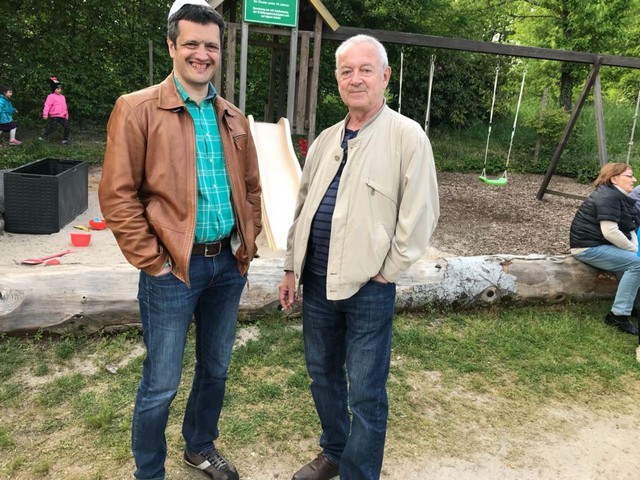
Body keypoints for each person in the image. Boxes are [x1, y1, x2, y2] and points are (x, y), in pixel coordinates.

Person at [98, 1, 262, 479]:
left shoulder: (233, 117)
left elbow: (251, 189)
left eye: (211, 45)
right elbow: (117, 195)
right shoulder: (137, 109)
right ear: (171, 46)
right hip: (171, 270)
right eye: (191, 43)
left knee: (216, 370)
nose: (201, 54)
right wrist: (153, 262)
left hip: (226, 265)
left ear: (220, 51)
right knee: (161, 383)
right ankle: (149, 472)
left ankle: (200, 447)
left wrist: (247, 244)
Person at [278, 34, 439, 480]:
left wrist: (389, 270)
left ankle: (358, 473)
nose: (356, 79)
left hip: (369, 287)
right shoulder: (326, 138)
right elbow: (302, 207)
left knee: (366, 392)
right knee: (322, 375)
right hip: (317, 282)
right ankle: (335, 452)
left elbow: (421, 212)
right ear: (337, 79)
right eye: (347, 71)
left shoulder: (407, 136)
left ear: (384, 76)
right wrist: (291, 266)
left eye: (365, 70)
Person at [570, 162, 640, 335]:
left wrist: (633, 247)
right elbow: (610, 232)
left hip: (600, 244)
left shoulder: (619, 196)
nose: (634, 179)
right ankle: (618, 316)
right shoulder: (608, 196)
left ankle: (629, 306)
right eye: (629, 176)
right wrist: (632, 250)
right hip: (587, 247)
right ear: (614, 179)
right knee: (636, 264)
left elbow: (630, 226)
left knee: (634, 261)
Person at [40, 77, 70, 144]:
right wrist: (45, 114)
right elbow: (47, 105)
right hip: (54, 116)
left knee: (67, 127)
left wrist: (66, 115)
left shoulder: (63, 97)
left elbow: (65, 107)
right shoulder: (51, 96)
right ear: (54, 89)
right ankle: (43, 136)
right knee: (52, 128)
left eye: (60, 89)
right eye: (58, 89)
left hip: (62, 116)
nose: (59, 90)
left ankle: (65, 140)